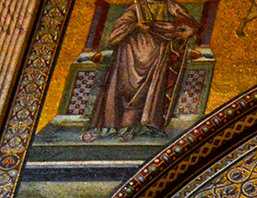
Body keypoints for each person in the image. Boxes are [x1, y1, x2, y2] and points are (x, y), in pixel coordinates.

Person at [84, 0, 199, 142]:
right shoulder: (136, 7)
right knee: (121, 87)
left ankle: (142, 126)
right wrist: (136, 26)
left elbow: (190, 25)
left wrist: (183, 32)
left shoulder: (170, 6)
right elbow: (118, 29)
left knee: (150, 91)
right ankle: (110, 126)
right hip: (130, 53)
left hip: (156, 54)